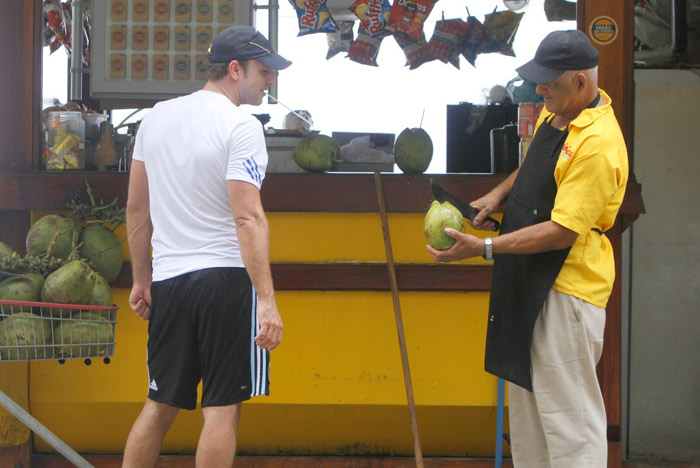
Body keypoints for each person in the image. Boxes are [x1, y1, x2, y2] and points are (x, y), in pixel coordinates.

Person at [428, 29, 629, 467]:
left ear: (580, 82)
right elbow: (531, 168)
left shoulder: (598, 143)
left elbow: (561, 231)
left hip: (565, 289)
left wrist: (484, 247)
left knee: (570, 423)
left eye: (549, 82)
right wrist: (494, 198)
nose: (539, 90)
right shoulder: (556, 112)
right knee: (530, 419)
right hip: (526, 280)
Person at [123, 26, 290, 468]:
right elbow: (247, 216)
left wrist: (142, 278)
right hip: (227, 282)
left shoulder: (154, 117)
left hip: (170, 281)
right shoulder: (242, 126)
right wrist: (267, 301)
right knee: (221, 409)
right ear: (235, 70)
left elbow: (137, 209)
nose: (270, 79)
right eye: (263, 70)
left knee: (159, 405)